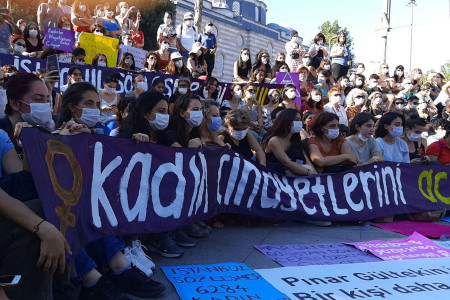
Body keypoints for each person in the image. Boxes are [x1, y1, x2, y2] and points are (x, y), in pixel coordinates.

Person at [0, 73, 54, 158]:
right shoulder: (1, 134)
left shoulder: (43, 134)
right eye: (38, 99)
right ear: (15, 103)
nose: (45, 105)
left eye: (47, 99)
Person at [263, 108, 316, 175]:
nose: (299, 123)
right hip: (278, 176)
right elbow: (287, 163)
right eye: (296, 120)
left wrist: (317, 176)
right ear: (286, 120)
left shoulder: (295, 140)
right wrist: (310, 173)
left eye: (300, 120)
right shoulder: (274, 141)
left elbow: (308, 162)